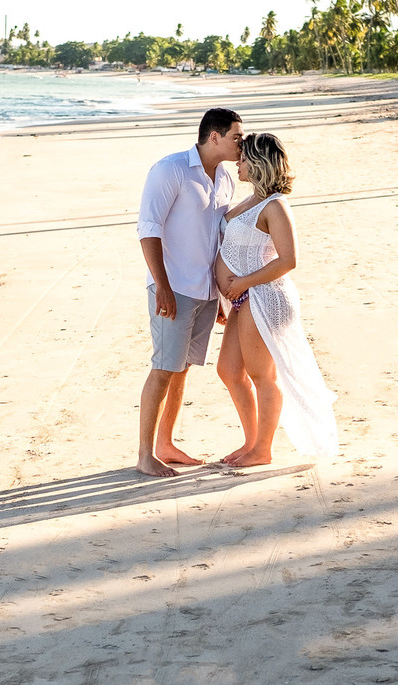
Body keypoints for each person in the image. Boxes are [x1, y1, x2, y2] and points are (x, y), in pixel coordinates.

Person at [214, 133, 339, 466]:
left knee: (262, 376)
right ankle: (252, 442)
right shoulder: (251, 200)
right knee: (228, 370)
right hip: (244, 297)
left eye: (242, 159)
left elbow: (288, 260)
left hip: (265, 295)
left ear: (256, 163)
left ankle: (262, 449)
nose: (237, 163)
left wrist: (242, 283)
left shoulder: (276, 206)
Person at [136, 107, 244, 477]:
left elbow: (214, 239)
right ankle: (145, 455)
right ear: (214, 136)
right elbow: (148, 229)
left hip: (204, 292)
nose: (241, 144)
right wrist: (162, 286)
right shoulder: (170, 170)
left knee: (181, 370)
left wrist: (216, 296)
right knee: (163, 368)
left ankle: (165, 444)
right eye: (236, 137)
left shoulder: (226, 178)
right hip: (173, 288)